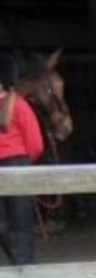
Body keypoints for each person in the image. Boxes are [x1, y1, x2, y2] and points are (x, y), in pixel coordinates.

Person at [0, 52, 44, 266]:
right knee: (20, 220)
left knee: (13, 221)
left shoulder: (17, 105)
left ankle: (23, 264)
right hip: (17, 163)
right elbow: (35, 143)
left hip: (15, 162)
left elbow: (34, 142)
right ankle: (23, 263)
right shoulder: (19, 104)